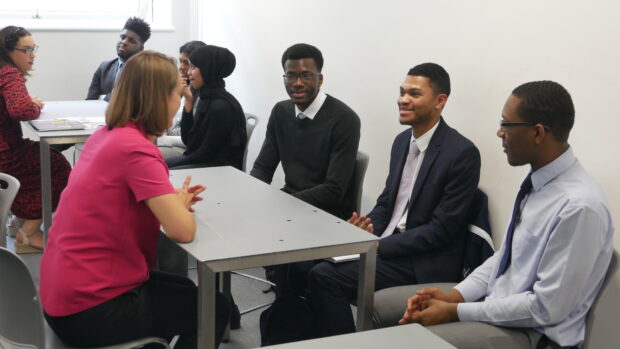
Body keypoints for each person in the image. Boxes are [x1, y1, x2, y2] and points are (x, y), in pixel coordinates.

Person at [391, 81, 614, 349]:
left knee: (405, 343)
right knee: (385, 312)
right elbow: (507, 257)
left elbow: (545, 309)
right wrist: (456, 296)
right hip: (500, 309)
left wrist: (456, 311)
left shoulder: (578, 206)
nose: (500, 133)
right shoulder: (539, 183)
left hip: (536, 335)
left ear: (537, 133)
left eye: (506, 125)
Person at [40, 50, 230, 349]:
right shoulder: (137, 150)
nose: (178, 104)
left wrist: (172, 205)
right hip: (90, 310)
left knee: (185, 290)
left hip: (62, 295)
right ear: (159, 97)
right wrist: (177, 208)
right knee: (215, 308)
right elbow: (182, 230)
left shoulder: (106, 135)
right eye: (177, 95)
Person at [306, 63, 481, 337]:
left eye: (413, 94)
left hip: (421, 260)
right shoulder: (402, 141)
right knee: (306, 261)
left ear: (440, 101)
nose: (402, 99)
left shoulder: (461, 153)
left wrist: (377, 245)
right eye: (401, 92)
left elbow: (441, 231)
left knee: (324, 276)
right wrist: (368, 227)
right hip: (386, 244)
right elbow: (388, 202)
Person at [250, 43, 360, 220]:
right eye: (290, 76)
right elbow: (263, 167)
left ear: (320, 79)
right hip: (291, 203)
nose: (297, 83)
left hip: (328, 215)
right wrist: (253, 197)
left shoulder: (344, 119)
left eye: (306, 76)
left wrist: (282, 206)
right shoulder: (281, 111)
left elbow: (333, 189)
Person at [0, 25, 71, 250]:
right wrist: (34, 106)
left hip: (6, 148)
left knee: (47, 155)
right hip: (5, 153)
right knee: (56, 165)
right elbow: (21, 110)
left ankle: (18, 219)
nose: (33, 55)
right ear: (8, 51)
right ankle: (28, 231)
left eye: (34, 48)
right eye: (26, 50)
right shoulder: (9, 73)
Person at [165, 45, 247, 170]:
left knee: (162, 169)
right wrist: (188, 102)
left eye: (193, 67)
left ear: (208, 69)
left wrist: (168, 165)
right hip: (203, 161)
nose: (188, 72)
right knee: (157, 165)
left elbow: (205, 154)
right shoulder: (207, 97)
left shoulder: (221, 107)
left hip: (219, 169)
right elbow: (188, 140)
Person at [158, 40, 207, 159]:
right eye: (180, 61)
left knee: (149, 153)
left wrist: (162, 140)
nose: (181, 67)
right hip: (172, 139)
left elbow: (192, 138)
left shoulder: (205, 96)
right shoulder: (186, 86)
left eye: (187, 63)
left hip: (186, 148)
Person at [86, 17, 151, 101]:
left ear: (141, 49)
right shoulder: (104, 67)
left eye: (131, 41)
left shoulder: (147, 71)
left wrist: (103, 97)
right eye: (123, 37)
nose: (124, 42)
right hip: (101, 114)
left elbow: (135, 102)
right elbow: (90, 100)